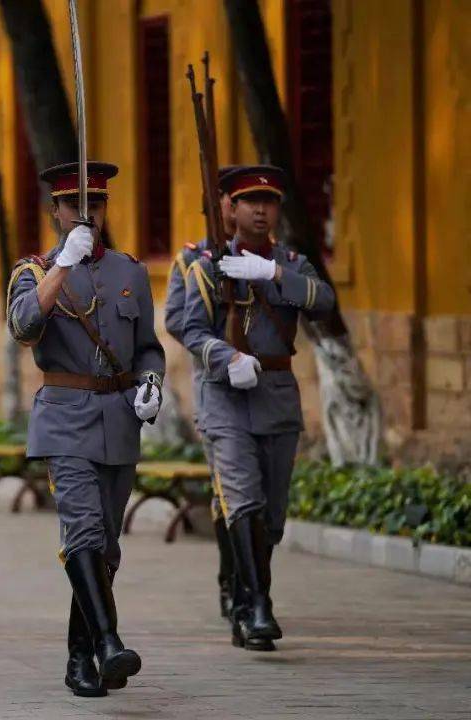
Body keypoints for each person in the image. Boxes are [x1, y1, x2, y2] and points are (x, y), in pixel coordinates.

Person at [6, 162, 165, 695]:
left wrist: (151, 384)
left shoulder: (129, 271)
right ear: (55, 211)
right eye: (73, 205)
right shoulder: (32, 271)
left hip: (118, 418)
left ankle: (80, 658)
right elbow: (24, 327)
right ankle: (108, 643)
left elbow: (148, 347)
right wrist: (62, 267)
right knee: (84, 532)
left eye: (94, 204)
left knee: (108, 548)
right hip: (64, 414)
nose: (85, 214)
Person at [182, 165, 334, 651]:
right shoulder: (208, 265)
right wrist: (226, 359)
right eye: (250, 201)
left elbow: (324, 301)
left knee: (271, 513)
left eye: (269, 202)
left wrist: (273, 274)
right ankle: (256, 604)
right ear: (232, 208)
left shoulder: (290, 263)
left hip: (276, 395)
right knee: (241, 499)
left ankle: (250, 600)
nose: (261, 210)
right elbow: (190, 330)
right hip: (226, 398)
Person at [164, 166, 239, 622]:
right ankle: (231, 581)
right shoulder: (191, 259)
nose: (237, 209)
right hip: (216, 387)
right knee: (225, 489)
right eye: (230, 201)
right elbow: (176, 319)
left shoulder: (270, 259)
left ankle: (252, 581)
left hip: (263, 390)